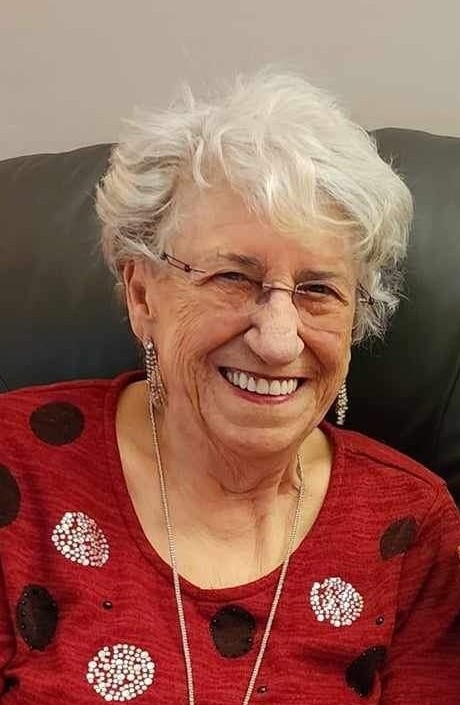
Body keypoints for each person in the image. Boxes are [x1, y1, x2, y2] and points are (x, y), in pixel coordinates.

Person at [0, 71, 458, 705]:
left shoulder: (410, 526)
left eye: (318, 290)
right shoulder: (15, 469)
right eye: (232, 279)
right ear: (141, 295)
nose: (278, 340)